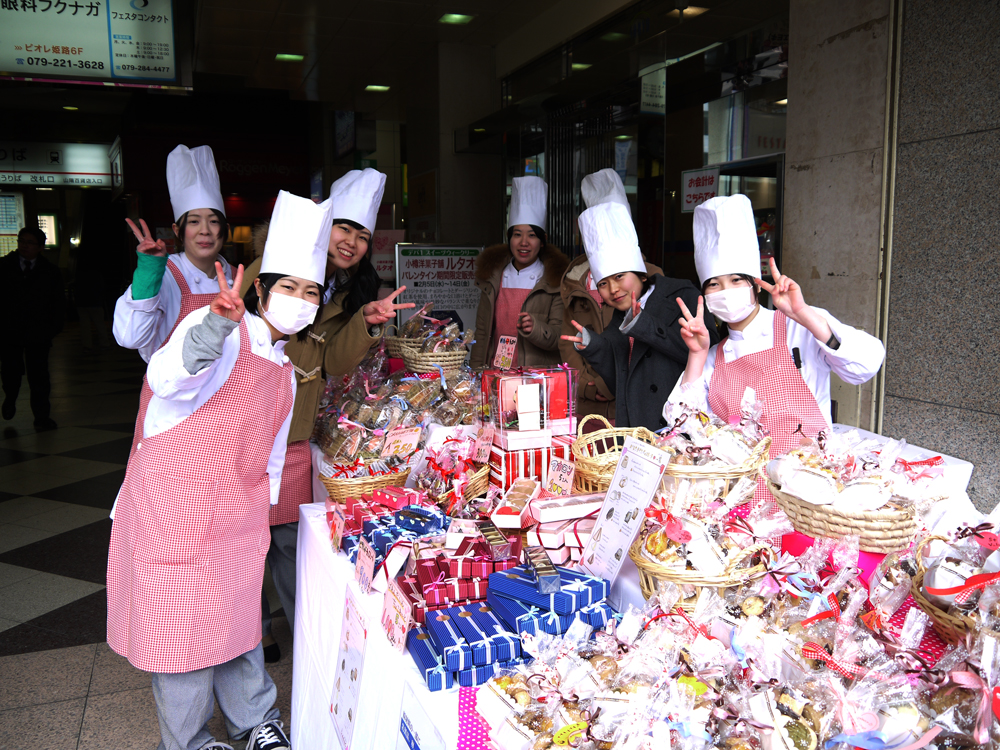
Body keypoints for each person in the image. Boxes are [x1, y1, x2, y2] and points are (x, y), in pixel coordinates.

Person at [106, 190, 334, 750]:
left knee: (236, 620)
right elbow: (166, 378)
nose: (299, 301)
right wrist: (213, 326)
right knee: (184, 627)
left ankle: (254, 721)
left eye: (310, 293)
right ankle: (186, 742)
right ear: (259, 289)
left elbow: (271, 456)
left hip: (234, 512)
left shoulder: (284, 370)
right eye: (287, 287)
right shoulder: (216, 329)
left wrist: (261, 512)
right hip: (173, 508)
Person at [239, 169, 414, 662]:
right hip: (249, 427)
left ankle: (308, 649)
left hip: (295, 432)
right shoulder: (268, 272)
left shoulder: (343, 290)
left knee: (292, 549)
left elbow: (332, 361)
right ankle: (252, 635)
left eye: (362, 236)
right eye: (344, 229)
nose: (352, 243)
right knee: (247, 543)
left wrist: (365, 321)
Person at [668, 194, 886, 510]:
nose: (725, 291)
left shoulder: (799, 325)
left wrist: (806, 315)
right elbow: (681, 425)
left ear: (756, 285)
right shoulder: (714, 354)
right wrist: (697, 355)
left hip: (812, 494)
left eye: (736, 280)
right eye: (713, 284)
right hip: (742, 501)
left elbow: (866, 365)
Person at [561, 199, 716, 430]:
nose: (613, 289)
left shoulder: (680, 295)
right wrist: (592, 345)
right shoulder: (618, 316)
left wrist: (643, 324)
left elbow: (709, 355)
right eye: (603, 283)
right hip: (635, 432)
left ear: (641, 274)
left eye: (619, 277)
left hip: (681, 426)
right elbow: (618, 383)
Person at [559, 169, 663, 424]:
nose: (613, 289)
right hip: (586, 402)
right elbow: (568, 340)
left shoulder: (654, 280)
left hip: (634, 400)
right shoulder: (574, 281)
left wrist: (610, 383)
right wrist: (586, 384)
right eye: (604, 283)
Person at [113, 144, 233, 362]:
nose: (204, 230)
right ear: (178, 231)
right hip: (173, 392)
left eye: (214, 221)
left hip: (231, 392)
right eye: (194, 221)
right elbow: (130, 338)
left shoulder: (238, 277)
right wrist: (149, 272)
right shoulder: (166, 274)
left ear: (225, 231)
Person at [470, 176, 568, 369]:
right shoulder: (492, 278)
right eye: (517, 234)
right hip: (496, 370)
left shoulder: (554, 282)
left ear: (543, 240)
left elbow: (561, 337)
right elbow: (482, 333)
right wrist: (476, 373)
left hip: (536, 375)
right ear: (509, 238)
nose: (524, 242)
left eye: (532, 235)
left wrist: (535, 328)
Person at [0, 226, 65, 430]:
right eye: (22, 241)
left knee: (39, 377)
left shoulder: (50, 271)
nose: (24, 246)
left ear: (40, 247)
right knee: (10, 372)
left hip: (38, 333)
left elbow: (58, 303)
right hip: (9, 332)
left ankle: (41, 417)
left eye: (30, 243)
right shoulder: (4, 266)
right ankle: (10, 399)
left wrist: (52, 329)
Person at [73, 242, 112, 353]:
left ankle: (87, 345)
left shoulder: (79, 272)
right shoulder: (96, 273)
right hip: (95, 301)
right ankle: (104, 343)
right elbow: (101, 287)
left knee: (84, 325)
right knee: (99, 324)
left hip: (82, 301)